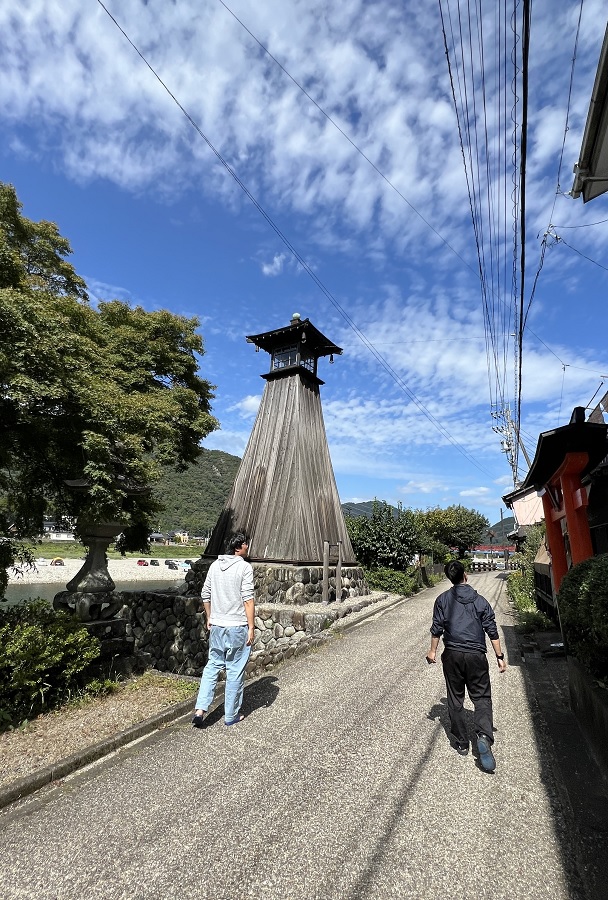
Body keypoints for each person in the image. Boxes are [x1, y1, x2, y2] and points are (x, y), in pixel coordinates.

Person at [426, 560, 507, 772]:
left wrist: (433, 651)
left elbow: (437, 629)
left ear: (449, 578)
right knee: (481, 697)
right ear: (466, 576)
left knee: (455, 697)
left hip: (452, 654)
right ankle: (483, 736)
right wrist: (499, 656)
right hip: (476, 656)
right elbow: (491, 629)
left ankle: (462, 741)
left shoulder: (442, 600)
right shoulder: (480, 601)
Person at [192, 532, 255, 728]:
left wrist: (210, 617)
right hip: (237, 626)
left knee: (212, 667)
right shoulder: (244, 568)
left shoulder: (214, 566)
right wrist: (251, 627)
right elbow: (248, 600)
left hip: (217, 626)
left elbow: (205, 594)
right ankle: (231, 715)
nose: (247, 547)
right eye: (245, 544)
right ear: (238, 548)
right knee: (235, 670)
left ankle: (200, 710)